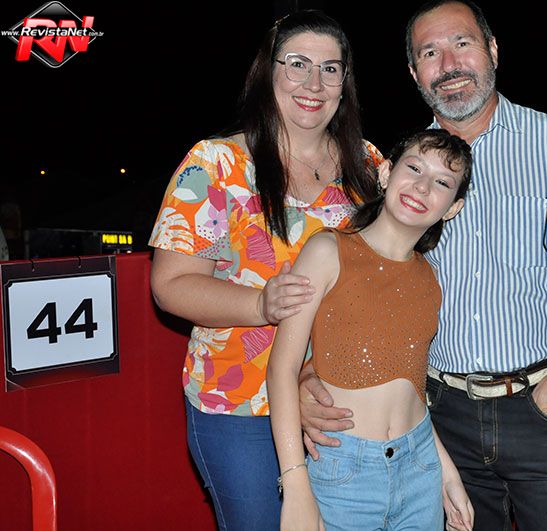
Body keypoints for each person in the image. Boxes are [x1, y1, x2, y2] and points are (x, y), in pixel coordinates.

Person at [299, 1, 547, 530]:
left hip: (543, 406)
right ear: (414, 72)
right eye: (429, 53)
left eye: (462, 44)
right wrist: (310, 372)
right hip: (436, 417)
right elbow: (358, 284)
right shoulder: (406, 170)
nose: (449, 64)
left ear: (493, 50)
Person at [148, 10, 382, 531]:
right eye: (297, 64)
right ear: (267, 71)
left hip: (335, 399)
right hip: (240, 407)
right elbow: (170, 285)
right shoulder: (216, 164)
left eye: (330, 69)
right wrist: (260, 303)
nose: (313, 83)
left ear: (345, 83)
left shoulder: (369, 166)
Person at [268, 129, 474, 531]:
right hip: (342, 472)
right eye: (414, 168)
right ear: (385, 173)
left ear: (453, 207)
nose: (422, 186)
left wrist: (448, 474)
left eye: (442, 182)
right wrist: (294, 484)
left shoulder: (430, 279)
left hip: (421, 469)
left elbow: (412, 391)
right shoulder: (326, 251)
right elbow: (281, 369)